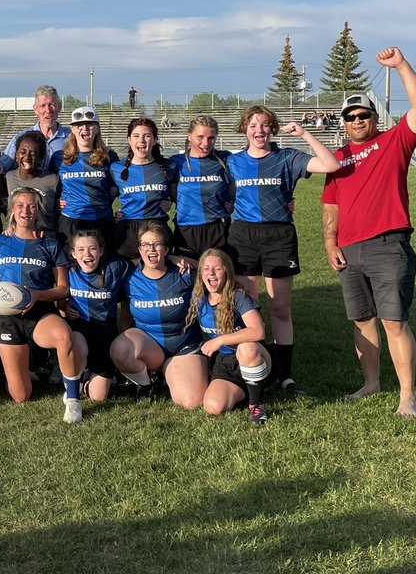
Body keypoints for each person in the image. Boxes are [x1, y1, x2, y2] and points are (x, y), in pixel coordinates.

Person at [322, 47, 416, 417]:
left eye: (362, 115)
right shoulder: (336, 159)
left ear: (373, 117)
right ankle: (371, 383)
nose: (356, 120)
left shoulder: (393, 142)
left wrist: (401, 64)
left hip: (388, 244)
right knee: (362, 320)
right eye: (350, 116)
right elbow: (331, 204)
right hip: (349, 249)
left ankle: (407, 396)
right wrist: (329, 242)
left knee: (394, 322)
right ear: (344, 122)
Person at [226, 105, 339, 397]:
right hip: (243, 236)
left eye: (264, 125)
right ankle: (252, 369)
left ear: (272, 129)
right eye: (253, 125)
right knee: (247, 307)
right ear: (244, 129)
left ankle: (285, 375)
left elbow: (331, 165)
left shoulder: (287, 157)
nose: (259, 131)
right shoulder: (233, 162)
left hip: (279, 235)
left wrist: (304, 133)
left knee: (279, 308)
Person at [0, 187, 88, 423]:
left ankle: (72, 399)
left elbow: (63, 289)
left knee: (63, 336)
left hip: (39, 312)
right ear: (12, 209)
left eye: (31, 206)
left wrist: (36, 295)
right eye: (20, 205)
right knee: (20, 395)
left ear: (38, 211)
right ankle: (25, 369)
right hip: (7, 317)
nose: (26, 211)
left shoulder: (50, 244)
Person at [109, 221, 205, 410]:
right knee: (120, 349)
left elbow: (212, 267)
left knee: (191, 402)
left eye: (157, 244)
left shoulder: (183, 273)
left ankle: (170, 373)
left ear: (166, 248)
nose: (151, 249)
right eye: (146, 245)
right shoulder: (129, 277)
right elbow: (123, 311)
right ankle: (146, 383)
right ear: (139, 249)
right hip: (150, 346)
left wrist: (177, 258)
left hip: (184, 345)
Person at [188, 248, 272, 425]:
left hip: (255, 355)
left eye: (217, 268)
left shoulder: (238, 296)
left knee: (246, 347)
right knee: (213, 407)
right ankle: (251, 387)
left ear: (226, 271)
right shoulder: (198, 299)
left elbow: (258, 331)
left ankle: (257, 405)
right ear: (200, 273)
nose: (211, 273)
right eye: (206, 268)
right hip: (226, 361)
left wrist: (220, 339)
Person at [65, 230, 131, 402]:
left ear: (101, 251)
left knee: (98, 397)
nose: (87, 254)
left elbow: (143, 264)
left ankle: (89, 376)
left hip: (105, 336)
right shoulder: (68, 270)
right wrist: (63, 306)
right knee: (76, 341)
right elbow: (57, 292)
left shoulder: (115, 267)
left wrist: (173, 259)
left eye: (92, 248)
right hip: (79, 331)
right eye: (80, 249)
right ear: (73, 253)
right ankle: (77, 375)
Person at [169, 115, 233, 261]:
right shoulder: (175, 163)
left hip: (218, 229)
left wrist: (234, 202)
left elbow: (246, 182)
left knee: (218, 278)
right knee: (188, 279)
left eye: (211, 138)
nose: (206, 143)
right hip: (186, 230)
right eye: (200, 137)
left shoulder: (225, 159)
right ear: (189, 136)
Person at [111, 117, 175, 261]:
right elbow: (104, 198)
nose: (142, 140)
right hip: (127, 231)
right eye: (136, 136)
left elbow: (180, 195)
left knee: (158, 274)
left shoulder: (170, 167)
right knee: (128, 277)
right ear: (129, 140)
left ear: (154, 139)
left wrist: (169, 201)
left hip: (158, 228)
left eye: (147, 136)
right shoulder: (116, 169)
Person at [58, 106, 118, 249]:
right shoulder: (59, 157)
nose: (84, 128)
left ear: (97, 128)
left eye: (90, 124)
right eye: (79, 124)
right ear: (72, 129)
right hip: (71, 220)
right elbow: (49, 183)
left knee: (102, 263)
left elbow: (116, 186)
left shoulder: (110, 157)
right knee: (71, 265)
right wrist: (56, 199)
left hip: (101, 220)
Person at [1, 85, 71, 172]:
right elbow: (2, 166)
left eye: (52, 105)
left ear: (59, 107)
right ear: (35, 109)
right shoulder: (22, 138)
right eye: (42, 106)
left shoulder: (72, 138)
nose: (48, 111)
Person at [4, 130, 60, 232]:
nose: (27, 157)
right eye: (22, 152)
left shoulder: (52, 180)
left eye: (33, 154)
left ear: (40, 158)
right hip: (16, 238)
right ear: (16, 154)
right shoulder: (9, 178)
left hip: (45, 239)